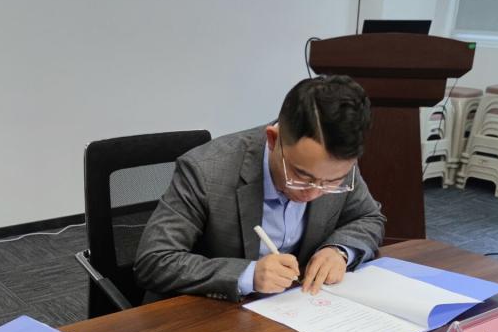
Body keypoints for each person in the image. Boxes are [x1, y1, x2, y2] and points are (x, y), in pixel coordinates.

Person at [134, 75, 385, 302]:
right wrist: (247, 275)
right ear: (273, 139)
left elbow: (369, 218)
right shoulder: (205, 170)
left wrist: (339, 250)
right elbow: (154, 260)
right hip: (209, 314)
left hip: (297, 308)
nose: (313, 192)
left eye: (331, 182)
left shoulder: (336, 164)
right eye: (301, 175)